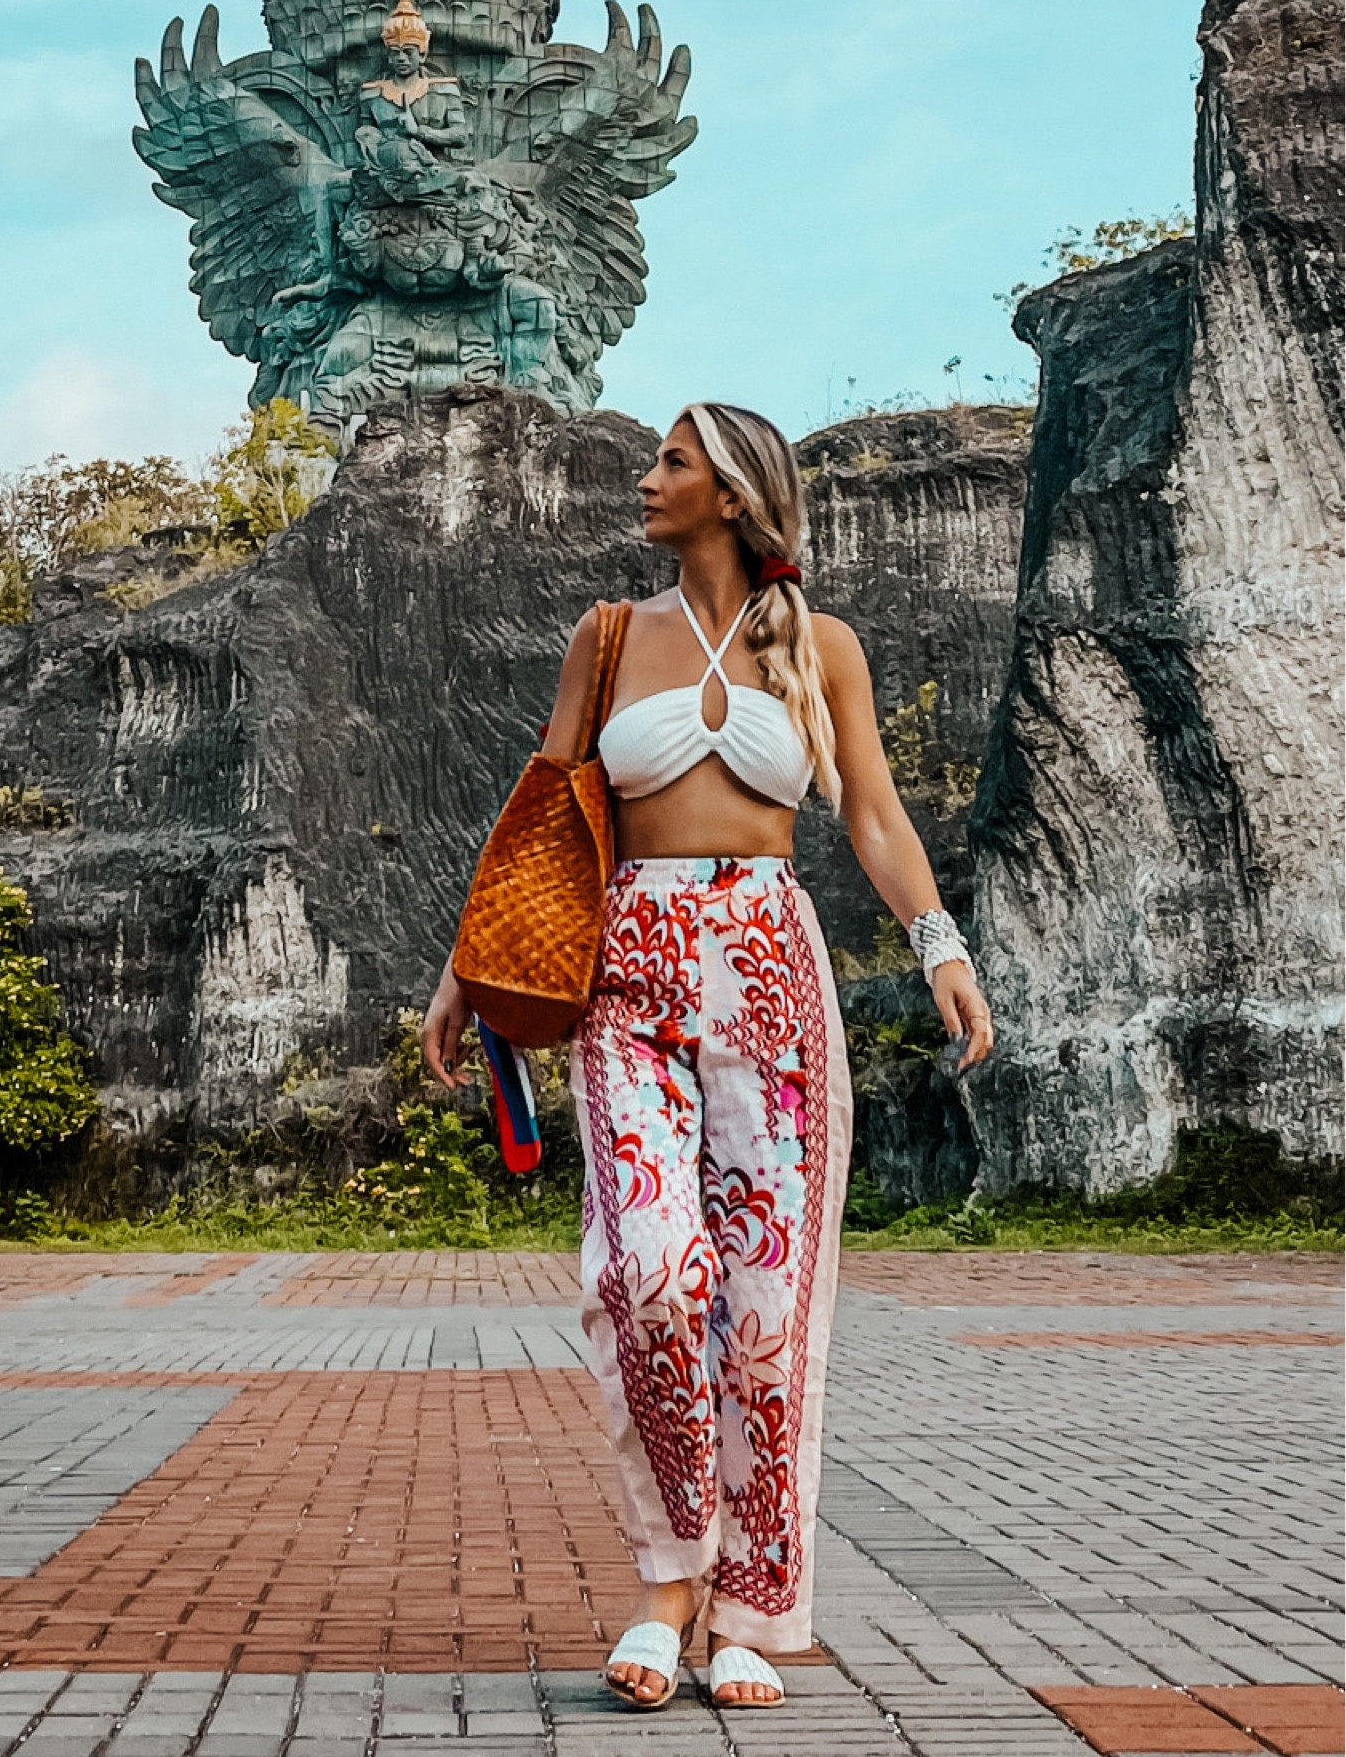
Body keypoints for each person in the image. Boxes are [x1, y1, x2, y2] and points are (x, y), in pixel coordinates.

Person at [422, 402, 994, 1711]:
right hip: (631, 977)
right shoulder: (610, 637)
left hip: (771, 985)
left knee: (766, 1315)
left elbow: (873, 811)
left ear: (732, 493)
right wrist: (464, 969)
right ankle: (666, 1575)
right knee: (654, 1275)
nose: (648, 478)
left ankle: (745, 1603)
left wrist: (940, 945)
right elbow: (545, 820)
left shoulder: (822, 647)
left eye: (672, 461)